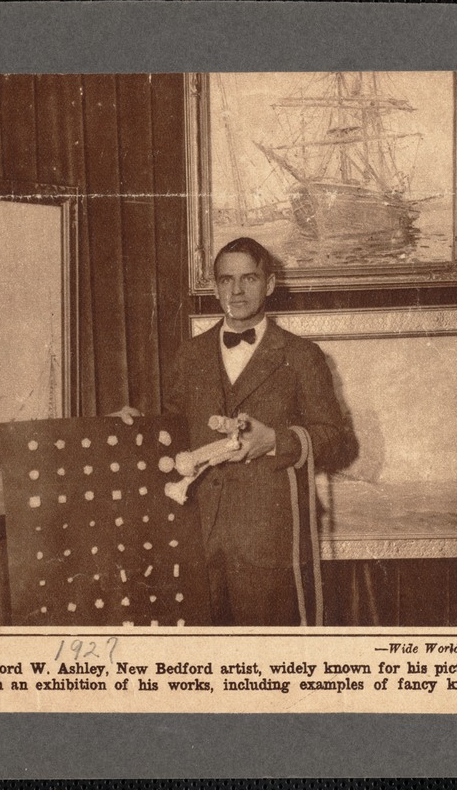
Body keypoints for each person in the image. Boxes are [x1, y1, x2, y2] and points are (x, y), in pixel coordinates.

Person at [117, 237, 351, 626]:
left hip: (269, 542)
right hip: (197, 536)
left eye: (249, 279)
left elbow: (335, 439)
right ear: (215, 287)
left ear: (270, 285)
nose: (237, 291)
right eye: (226, 280)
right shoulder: (189, 355)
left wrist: (275, 440)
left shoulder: (303, 355)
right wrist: (135, 425)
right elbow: (175, 435)